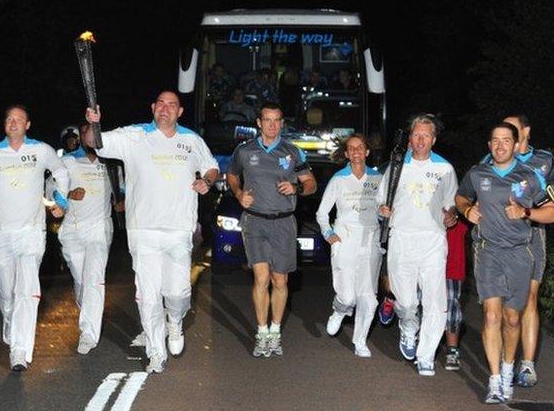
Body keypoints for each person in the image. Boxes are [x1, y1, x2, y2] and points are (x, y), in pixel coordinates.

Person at [84, 91, 218, 373]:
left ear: (180, 112)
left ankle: (175, 322)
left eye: (172, 105)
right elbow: (96, 143)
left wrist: (206, 180)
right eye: (160, 104)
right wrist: (93, 124)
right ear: (153, 108)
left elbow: (212, 168)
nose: (165, 109)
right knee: (147, 293)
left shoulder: (192, 141)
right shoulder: (134, 136)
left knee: (178, 293)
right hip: (142, 229)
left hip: (179, 228)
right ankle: (156, 351)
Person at [456, 121, 554, 404]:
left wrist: (526, 212)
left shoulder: (532, 177)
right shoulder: (478, 173)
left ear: (516, 145)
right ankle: (494, 380)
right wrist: (467, 209)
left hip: (519, 253)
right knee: (491, 315)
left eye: (506, 140)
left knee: (512, 318)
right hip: (488, 251)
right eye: (495, 140)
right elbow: (461, 195)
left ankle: (508, 367)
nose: (500, 145)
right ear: (489, 145)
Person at [0, 104, 69, 371]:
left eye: (19, 119)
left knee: (27, 291)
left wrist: (61, 199)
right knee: (7, 292)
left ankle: (20, 351)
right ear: (4, 124)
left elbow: (61, 172)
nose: (13, 123)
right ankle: (9, 317)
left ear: (28, 124)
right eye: (9, 119)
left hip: (31, 232)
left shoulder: (41, 150)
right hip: (0, 233)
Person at [226, 102, 317, 358]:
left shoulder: (293, 152)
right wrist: (239, 193)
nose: (272, 125)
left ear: (282, 123)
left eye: (277, 120)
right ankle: (262, 332)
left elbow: (311, 183)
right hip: (254, 221)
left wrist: (296, 188)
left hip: (284, 222)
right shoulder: (244, 151)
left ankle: (275, 332)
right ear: (258, 122)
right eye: (267, 120)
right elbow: (231, 175)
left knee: (280, 280)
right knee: (261, 278)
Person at [377, 113, 458, 376]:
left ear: (433, 139)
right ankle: (408, 327)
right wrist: (383, 210)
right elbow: (381, 202)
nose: (420, 140)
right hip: (402, 238)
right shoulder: (397, 166)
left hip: (433, 241)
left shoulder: (445, 169)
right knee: (407, 302)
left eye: (425, 135)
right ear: (409, 138)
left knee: (435, 301)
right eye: (416, 135)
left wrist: (451, 215)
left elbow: (452, 207)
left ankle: (426, 355)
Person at [500, 114, 554, 388]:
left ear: (526, 130)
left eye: (512, 128)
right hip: (502, 239)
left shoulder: (544, 160)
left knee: (530, 297)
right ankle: (506, 361)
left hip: (533, 233)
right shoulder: (493, 158)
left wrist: (527, 207)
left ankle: (527, 365)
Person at [58, 121, 123, 355]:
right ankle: (85, 307)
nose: (91, 138)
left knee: (94, 279)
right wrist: (68, 194)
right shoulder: (68, 162)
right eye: (86, 134)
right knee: (82, 282)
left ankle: (88, 333)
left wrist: (121, 201)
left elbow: (122, 189)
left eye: (95, 134)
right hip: (73, 230)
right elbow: (51, 190)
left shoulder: (111, 163)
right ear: (80, 137)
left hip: (99, 229)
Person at [316, 134, 381, 357]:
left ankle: (360, 340)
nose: (355, 152)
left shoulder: (378, 178)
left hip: (370, 239)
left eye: (360, 148)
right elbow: (322, 213)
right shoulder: (339, 179)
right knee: (347, 296)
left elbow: (385, 209)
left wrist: (385, 215)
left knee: (369, 298)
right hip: (345, 238)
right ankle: (339, 310)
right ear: (346, 154)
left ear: (367, 152)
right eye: (351, 148)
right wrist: (329, 233)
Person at [444, 220, 469, 371]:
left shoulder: (460, 200)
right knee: (423, 302)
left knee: (451, 306)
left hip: (453, 262)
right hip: (425, 257)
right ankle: (423, 343)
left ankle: (452, 350)